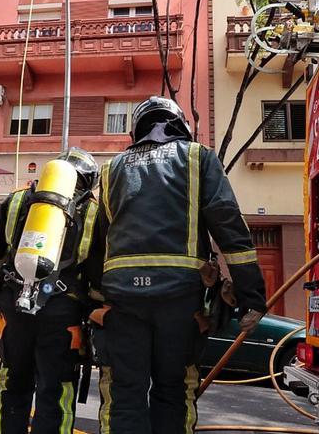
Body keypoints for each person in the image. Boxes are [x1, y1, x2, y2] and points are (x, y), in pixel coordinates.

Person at [90, 96, 267, 434]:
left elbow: (100, 241)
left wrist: (97, 300)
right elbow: (228, 225)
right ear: (181, 126)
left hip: (123, 302)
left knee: (123, 395)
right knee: (173, 392)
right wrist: (251, 295)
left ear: (137, 129)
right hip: (181, 302)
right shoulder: (198, 157)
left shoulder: (111, 168)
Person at [0, 147, 101, 434]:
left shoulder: (20, 199)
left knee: (12, 382)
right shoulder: (94, 211)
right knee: (56, 390)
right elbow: (98, 269)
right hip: (62, 314)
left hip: (14, 307)